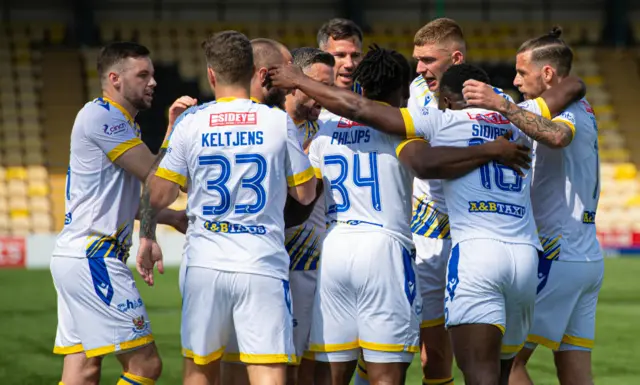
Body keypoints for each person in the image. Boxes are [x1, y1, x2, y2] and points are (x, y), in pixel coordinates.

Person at [267, 54, 584, 385]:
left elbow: (307, 197)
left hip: (337, 248)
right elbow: (573, 85)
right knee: (412, 373)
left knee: (329, 372)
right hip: (488, 252)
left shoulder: (329, 129)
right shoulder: (512, 119)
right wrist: (499, 125)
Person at [136, 30, 316, 385]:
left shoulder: (192, 122)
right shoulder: (277, 121)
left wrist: (146, 235)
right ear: (253, 70)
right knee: (268, 370)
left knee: (200, 371)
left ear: (212, 75)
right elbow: (306, 194)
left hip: (205, 265)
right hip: (261, 263)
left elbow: (158, 193)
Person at [463, 27, 602, 385]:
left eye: (522, 73)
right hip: (585, 255)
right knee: (574, 370)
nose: (515, 80)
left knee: (505, 362)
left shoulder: (569, 108)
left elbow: (556, 136)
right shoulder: (581, 105)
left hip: (558, 252)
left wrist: (501, 105)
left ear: (548, 74)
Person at [50, 41, 188, 385]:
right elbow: (157, 178)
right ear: (115, 79)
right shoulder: (104, 117)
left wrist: (167, 219)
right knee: (145, 366)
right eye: (143, 75)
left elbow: (119, 199)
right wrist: (182, 135)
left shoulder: (121, 123)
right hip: (95, 257)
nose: (153, 82)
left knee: (82, 369)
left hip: (77, 255)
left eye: (153, 74)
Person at [281, 46, 336, 385]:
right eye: (316, 85)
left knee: (317, 363)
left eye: (327, 88)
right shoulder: (272, 127)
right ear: (293, 83)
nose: (322, 95)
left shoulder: (326, 130)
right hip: (281, 263)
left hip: (319, 265)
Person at [317, 18, 364, 123]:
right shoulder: (303, 104)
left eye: (355, 55)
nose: (349, 64)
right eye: (340, 55)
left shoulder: (374, 103)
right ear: (321, 57)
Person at [250, 38, 292, 109]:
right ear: (263, 75)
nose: (291, 85)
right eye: (287, 74)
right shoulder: (277, 117)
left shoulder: (226, 110)